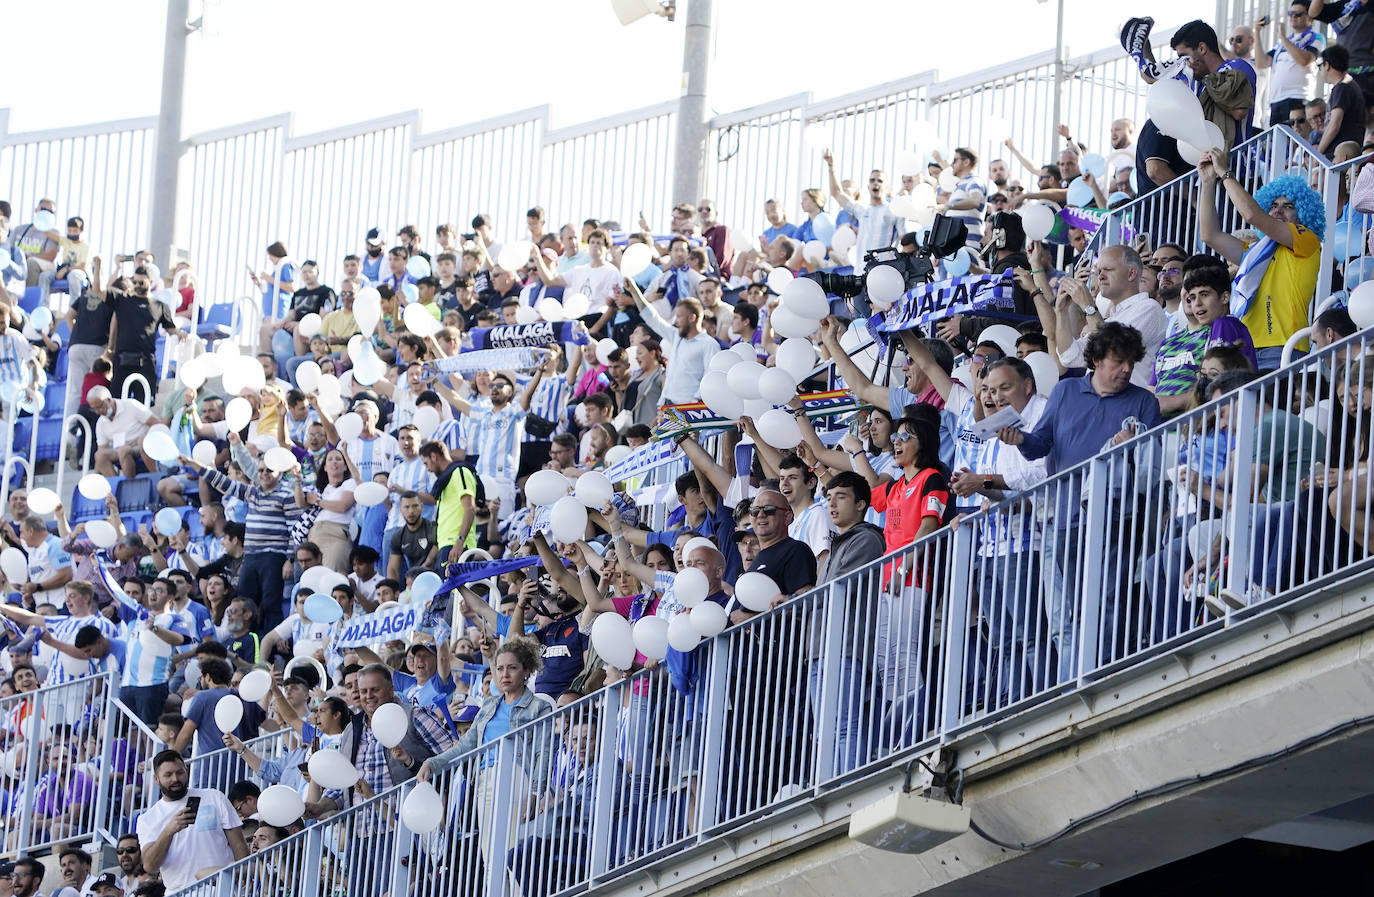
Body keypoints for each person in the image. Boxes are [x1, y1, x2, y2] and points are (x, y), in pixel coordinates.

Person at [997, 323, 1163, 681]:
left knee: (1109, 602)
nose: (1126, 370)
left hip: (1118, 520)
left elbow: (1153, 463)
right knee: (1073, 610)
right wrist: (1019, 440)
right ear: (1097, 360)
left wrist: (1130, 449)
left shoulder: (1144, 401)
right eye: (1118, 361)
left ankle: (1104, 676)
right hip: (1065, 520)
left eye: (1130, 363)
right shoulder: (1065, 391)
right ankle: (1081, 679)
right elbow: (1040, 443)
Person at [418, 637, 551, 855]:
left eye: (512, 668)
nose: (504, 674)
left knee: (513, 851)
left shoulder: (539, 707)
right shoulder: (489, 705)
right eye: (499, 669)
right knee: (490, 853)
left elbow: (542, 753)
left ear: (526, 671)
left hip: (517, 778)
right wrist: (433, 763)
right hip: (484, 781)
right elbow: (465, 746)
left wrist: (536, 793)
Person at [1197, 148, 1323, 370]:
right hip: (1244, 349)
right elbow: (1210, 235)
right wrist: (1207, 182)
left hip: (1283, 347)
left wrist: (1225, 173)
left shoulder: (1306, 239)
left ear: (1302, 213)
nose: (1278, 211)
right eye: (1273, 206)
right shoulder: (1256, 250)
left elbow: (1252, 215)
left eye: (1288, 206)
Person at [1151, 256, 1257, 415]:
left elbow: (1217, 384)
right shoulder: (1170, 341)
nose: (1197, 303)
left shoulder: (1225, 324)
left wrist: (1173, 402)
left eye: (1205, 295)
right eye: (1192, 298)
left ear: (1225, 297)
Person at [1055, 244, 1166, 389]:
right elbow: (1069, 357)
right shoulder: (1108, 320)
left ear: (1131, 274)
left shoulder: (1149, 308)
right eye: (1099, 271)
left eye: (1108, 270)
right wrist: (1061, 311)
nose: (1100, 276)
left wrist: (1088, 306)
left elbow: (1113, 350)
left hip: (1127, 405)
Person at [136, 750, 249, 892]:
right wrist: (168, 831)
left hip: (223, 888)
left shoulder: (214, 797)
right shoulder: (148, 818)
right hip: (181, 892)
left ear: (187, 771)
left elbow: (239, 846)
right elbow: (150, 866)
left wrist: (241, 878)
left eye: (180, 772)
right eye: (168, 775)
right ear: (156, 779)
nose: (175, 779)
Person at [626, 279, 719, 404]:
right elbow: (652, 318)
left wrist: (695, 401)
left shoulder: (709, 344)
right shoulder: (677, 336)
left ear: (692, 318)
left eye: (680, 316)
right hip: (668, 405)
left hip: (691, 408)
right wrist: (634, 290)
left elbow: (711, 376)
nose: (676, 321)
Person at [1255, 2, 1324, 128]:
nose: (1293, 17)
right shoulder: (1283, 43)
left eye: (1297, 14)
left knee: (1296, 138)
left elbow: (1305, 60)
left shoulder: (1316, 37)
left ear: (1309, 17)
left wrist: (1283, 38)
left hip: (1298, 97)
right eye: (1290, 14)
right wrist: (1257, 32)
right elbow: (1261, 62)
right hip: (1276, 99)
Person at [1315, 44, 1368, 157]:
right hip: (1346, 151)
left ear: (1327, 65)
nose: (1320, 71)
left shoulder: (1342, 87)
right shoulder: (1349, 84)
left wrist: (1317, 154)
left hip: (1340, 154)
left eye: (1320, 66)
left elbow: (1334, 125)